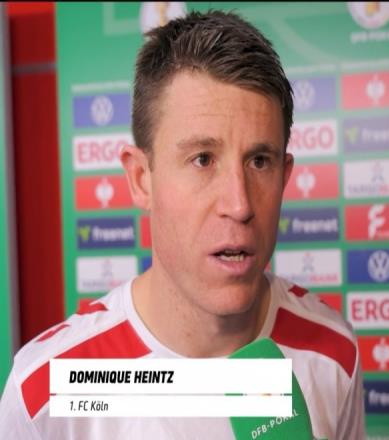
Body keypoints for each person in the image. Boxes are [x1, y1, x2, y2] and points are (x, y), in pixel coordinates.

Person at [0, 9, 365, 439]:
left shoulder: (334, 350)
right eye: (203, 159)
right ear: (141, 178)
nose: (239, 204)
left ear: (285, 177)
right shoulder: (47, 391)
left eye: (259, 161)